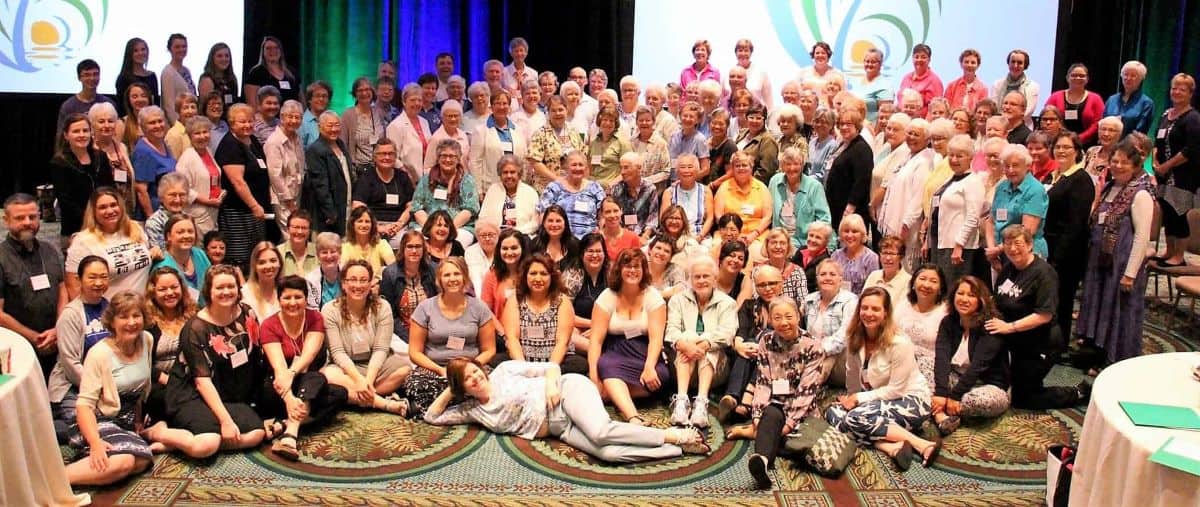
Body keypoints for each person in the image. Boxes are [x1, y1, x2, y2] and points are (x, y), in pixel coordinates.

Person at [427, 358, 708, 461]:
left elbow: (550, 367)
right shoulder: (472, 410)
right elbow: (432, 416)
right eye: (467, 378)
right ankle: (678, 449)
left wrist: (551, 385)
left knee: (600, 432)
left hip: (567, 393)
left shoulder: (503, 371)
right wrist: (451, 389)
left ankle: (676, 435)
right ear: (462, 387)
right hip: (559, 429)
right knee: (608, 454)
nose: (475, 377)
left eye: (474, 370)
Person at [164, 264, 275, 453]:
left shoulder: (247, 314)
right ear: (208, 291)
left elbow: (257, 357)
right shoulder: (195, 329)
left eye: (230, 286)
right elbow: (201, 382)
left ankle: (184, 442)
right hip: (192, 396)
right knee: (207, 445)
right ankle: (160, 434)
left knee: (256, 433)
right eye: (220, 287)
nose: (226, 292)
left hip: (229, 395)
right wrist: (226, 421)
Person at [825, 287, 939, 470]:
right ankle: (890, 446)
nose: (868, 313)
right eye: (864, 308)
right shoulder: (854, 336)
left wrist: (858, 399)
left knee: (854, 418)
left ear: (886, 313)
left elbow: (897, 389)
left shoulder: (900, 343)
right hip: (877, 401)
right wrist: (851, 397)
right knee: (834, 413)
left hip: (911, 400)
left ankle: (920, 444)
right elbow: (852, 375)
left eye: (875, 309)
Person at [986, 224, 1088, 409]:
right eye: (1007, 243)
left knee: (1023, 398)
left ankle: (1077, 392)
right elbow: (999, 299)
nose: (1012, 248)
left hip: (1040, 342)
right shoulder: (1008, 269)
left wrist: (1009, 327)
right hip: (1015, 341)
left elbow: (1044, 316)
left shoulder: (1044, 274)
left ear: (1030, 245)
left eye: (1018, 243)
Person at [62, 291, 154, 486]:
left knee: (142, 460)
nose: (131, 322)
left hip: (126, 421)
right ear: (112, 321)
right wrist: (95, 443)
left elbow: (139, 390)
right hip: (97, 420)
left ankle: (98, 466)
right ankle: (52, 481)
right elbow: (84, 406)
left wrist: (137, 419)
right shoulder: (99, 353)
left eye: (136, 315)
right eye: (123, 317)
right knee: (124, 461)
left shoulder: (146, 340)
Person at [1076, 140, 1155, 368]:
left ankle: (1116, 359)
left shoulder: (1140, 194)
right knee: (1099, 307)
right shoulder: (1110, 187)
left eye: (1124, 162)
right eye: (1115, 161)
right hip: (1101, 261)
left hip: (1121, 264)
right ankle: (1096, 353)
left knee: (1118, 311)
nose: (1118, 166)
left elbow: (1142, 237)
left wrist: (1130, 273)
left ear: (1135, 164)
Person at [257, 275, 349, 460]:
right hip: (275, 388)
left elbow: (308, 356)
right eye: (287, 298)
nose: (293, 303)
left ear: (306, 298)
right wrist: (289, 398)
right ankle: (291, 436)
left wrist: (292, 374)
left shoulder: (315, 318)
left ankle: (283, 426)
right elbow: (279, 368)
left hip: (305, 385)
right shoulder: (269, 325)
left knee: (338, 393)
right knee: (316, 380)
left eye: (298, 297)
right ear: (278, 299)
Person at [405, 257, 497, 418]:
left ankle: (439, 404)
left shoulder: (479, 307)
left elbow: (489, 350)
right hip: (435, 368)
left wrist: (467, 370)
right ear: (439, 279)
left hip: (471, 369)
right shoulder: (425, 308)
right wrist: (440, 370)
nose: (452, 279)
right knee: (415, 384)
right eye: (447, 275)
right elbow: (415, 352)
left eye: (457, 274)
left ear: (465, 278)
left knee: (490, 381)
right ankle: (466, 403)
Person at [588, 249, 669, 425]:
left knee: (660, 376)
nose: (632, 271)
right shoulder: (607, 296)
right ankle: (633, 417)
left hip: (644, 350)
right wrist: (594, 377)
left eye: (636, 266)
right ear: (619, 269)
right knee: (606, 366)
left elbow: (656, 338)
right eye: (627, 266)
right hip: (616, 351)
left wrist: (649, 367)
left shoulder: (653, 296)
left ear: (643, 270)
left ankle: (609, 395)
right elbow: (595, 341)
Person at [318, 260, 409, 414]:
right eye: (352, 280)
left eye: (363, 280)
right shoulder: (330, 310)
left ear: (370, 284)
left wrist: (367, 381)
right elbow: (337, 352)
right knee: (328, 375)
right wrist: (358, 380)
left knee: (405, 370)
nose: (358, 285)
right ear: (344, 284)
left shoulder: (382, 307)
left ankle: (353, 397)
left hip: (377, 364)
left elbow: (381, 349)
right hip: (345, 367)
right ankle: (382, 403)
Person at [931, 276, 1011, 435]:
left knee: (980, 401)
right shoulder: (948, 322)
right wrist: (940, 392)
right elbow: (942, 358)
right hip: (957, 379)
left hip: (987, 386)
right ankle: (942, 416)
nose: (964, 299)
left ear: (981, 300)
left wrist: (954, 396)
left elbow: (977, 367)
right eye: (960, 293)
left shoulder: (991, 325)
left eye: (971, 295)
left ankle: (945, 408)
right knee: (922, 358)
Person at [665, 255, 736, 428]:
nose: (701, 280)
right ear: (690, 279)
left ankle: (701, 403)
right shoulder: (677, 300)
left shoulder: (727, 303)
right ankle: (682, 401)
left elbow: (727, 333)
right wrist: (684, 345)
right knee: (687, 336)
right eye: (697, 276)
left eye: (706, 276)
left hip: (716, 370)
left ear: (715, 278)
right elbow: (671, 330)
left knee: (705, 341)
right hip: (682, 367)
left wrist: (703, 344)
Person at [1043, 132, 1095, 342]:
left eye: (1067, 147)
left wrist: (1057, 258)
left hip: (1067, 253)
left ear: (1077, 151)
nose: (1062, 151)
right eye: (1058, 147)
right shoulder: (1054, 175)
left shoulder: (1081, 180)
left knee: (1062, 300)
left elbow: (1076, 224)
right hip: (1049, 245)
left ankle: (1059, 343)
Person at [498, 253, 587, 374]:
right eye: (533, 273)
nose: (538, 279)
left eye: (544, 274)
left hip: (557, 361)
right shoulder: (515, 300)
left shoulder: (562, 301)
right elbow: (512, 339)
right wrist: (524, 369)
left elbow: (563, 342)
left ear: (552, 277)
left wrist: (550, 370)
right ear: (525, 276)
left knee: (580, 365)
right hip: (522, 360)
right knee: (497, 362)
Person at [65, 189, 153, 299]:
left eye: (113, 205)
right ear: (93, 212)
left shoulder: (135, 228)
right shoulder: (82, 241)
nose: (110, 211)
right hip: (108, 312)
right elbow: (73, 285)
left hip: (140, 310)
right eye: (103, 207)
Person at [1151, 73, 1200, 269]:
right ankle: (1169, 250)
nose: (1177, 92)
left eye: (1182, 89)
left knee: (1178, 215)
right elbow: (1157, 141)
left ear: (1190, 93)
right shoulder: (1165, 115)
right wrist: (1155, 161)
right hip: (1162, 175)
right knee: (1168, 214)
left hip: (1182, 176)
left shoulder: (1193, 118)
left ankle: (1179, 255)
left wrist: (1167, 165)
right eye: (1174, 88)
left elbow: (1191, 150)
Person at [216, 104, 271, 269]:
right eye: (242, 122)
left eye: (250, 121)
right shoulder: (230, 145)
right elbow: (238, 182)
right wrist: (255, 206)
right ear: (232, 124)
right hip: (239, 211)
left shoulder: (252, 139)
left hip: (256, 211)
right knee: (241, 258)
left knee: (257, 255)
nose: (247, 125)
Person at [929, 135, 987, 285]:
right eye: (951, 155)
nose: (954, 160)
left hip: (957, 247)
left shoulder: (973, 182)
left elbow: (973, 217)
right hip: (941, 242)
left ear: (970, 158)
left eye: (959, 156)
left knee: (952, 288)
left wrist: (959, 244)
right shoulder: (951, 179)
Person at [51, 113, 115, 240]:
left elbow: (110, 189)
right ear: (66, 135)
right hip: (76, 228)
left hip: (106, 224)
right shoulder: (59, 163)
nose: (82, 135)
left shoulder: (101, 157)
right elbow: (66, 201)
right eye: (76, 131)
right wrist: (93, 218)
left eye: (85, 130)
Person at [988, 144, 1049, 261]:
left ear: (1027, 166)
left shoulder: (1035, 190)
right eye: (1006, 166)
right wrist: (992, 250)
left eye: (1015, 165)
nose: (1010, 170)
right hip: (999, 253)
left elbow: (1026, 231)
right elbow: (990, 221)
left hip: (1025, 253)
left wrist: (998, 249)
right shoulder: (1001, 187)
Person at [412, 139, 480, 244]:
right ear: (438, 158)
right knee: (417, 241)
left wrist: (448, 229)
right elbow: (417, 208)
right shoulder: (426, 179)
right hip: (427, 226)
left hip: (459, 227)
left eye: (452, 156)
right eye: (444, 156)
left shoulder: (467, 181)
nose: (448, 160)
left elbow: (470, 209)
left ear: (458, 159)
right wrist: (431, 228)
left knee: (457, 242)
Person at [351, 140, 414, 248]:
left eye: (390, 154)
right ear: (374, 157)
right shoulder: (366, 178)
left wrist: (399, 224)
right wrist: (377, 227)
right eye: (382, 154)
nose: (387, 157)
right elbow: (357, 206)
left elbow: (411, 205)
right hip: (372, 226)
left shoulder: (403, 177)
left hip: (398, 225)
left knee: (406, 243)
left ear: (395, 157)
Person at [894, 264, 949, 386]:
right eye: (922, 279)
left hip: (930, 368)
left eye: (933, 281)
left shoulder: (946, 312)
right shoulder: (903, 305)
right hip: (900, 362)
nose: (926, 285)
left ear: (940, 288)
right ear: (913, 284)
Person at [537, 151, 607, 239]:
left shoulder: (595, 188)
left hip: (588, 241)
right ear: (566, 167)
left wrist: (601, 231)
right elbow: (543, 215)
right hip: (560, 240)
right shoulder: (554, 187)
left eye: (581, 165)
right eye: (574, 165)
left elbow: (604, 215)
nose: (577, 168)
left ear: (585, 168)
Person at [469, 90, 526, 193]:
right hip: (490, 187)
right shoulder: (481, 131)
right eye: (497, 103)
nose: (501, 107)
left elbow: (523, 160)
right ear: (491, 106)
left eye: (505, 104)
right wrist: (478, 190)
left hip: (516, 187)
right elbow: (475, 163)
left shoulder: (518, 130)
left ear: (509, 107)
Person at [526, 96, 587, 191]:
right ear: (548, 113)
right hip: (548, 187)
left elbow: (582, 156)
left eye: (560, 110)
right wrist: (557, 180)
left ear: (566, 110)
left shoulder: (574, 131)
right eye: (553, 110)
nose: (557, 113)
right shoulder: (540, 133)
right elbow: (535, 162)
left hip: (573, 186)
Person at [305, 111, 352, 235]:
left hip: (345, 206)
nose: (334, 129)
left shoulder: (341, 144)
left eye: (337, 125)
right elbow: (320, 185)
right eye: (330, 125)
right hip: (328, 213)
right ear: (320, 127)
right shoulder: (315, 150)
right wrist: (330, 212)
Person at [826, 108, 874, 229]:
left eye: (848, 124)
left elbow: (862, 182)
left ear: (857, 126)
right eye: (841, 124)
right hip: (837, 205)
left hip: (851, 211)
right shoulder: (844, 143)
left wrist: (850, 209)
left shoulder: (861, 148)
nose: (844, 127)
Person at [174, 116, 223, 235]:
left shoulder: (209, 152)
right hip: (197, 216)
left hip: (213, 212)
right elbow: (183, 189)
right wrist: (207, 201)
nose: (202, 136)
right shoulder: (187, 158)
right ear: (190, 136)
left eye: (205, 132)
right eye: (197, 133)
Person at [714, 152, 773, 246]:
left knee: (756, 253)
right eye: (737, 165)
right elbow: (718, 216)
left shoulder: (761, 188)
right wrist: (734, 235)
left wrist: (754, 235)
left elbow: (767, 217)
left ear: (751, 167)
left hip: (757, 236)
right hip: (728, 234)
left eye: (744, 165)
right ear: (732, 169)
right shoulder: (724, 187)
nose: (741, 168)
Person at [264, 100, 305, 231]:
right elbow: (275, 175)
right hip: (283, 199)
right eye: (290, 116)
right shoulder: (274, 142)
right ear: (281, 117)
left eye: (297, 117)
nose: (294, 121)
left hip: (297, 194)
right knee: (290, 233)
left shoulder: (297, 138)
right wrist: (288, 199)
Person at [130, 106, 177, 220]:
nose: (158, 126)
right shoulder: (143, 152)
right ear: (143, 127)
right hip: (154, 215)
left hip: (169, 211)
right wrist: (151, 218)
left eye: (160, 121)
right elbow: (141, 190)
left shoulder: (163, 144)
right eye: (152, 123)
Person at [152, 214, 211, 298]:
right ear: (168, 236)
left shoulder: (200, 254)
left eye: (190, 231)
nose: (186, 236)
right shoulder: (161, 265)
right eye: (180, 232)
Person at [1045, 64, 1105, 145]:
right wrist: (1062, 139)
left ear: (1087, 79)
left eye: (1082, 76)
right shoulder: (1055, 97)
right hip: (1058, 143)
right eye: (1074, 75)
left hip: (1087, 144)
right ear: (1067, 78)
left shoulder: (1096, 99)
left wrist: (1079, 139)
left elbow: (1098, 123)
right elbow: (1046, 117)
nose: (1077, 78)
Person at [479, 155, 539, 236]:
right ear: (500, 174)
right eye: (505, 172)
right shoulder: (493, 190)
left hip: (523, 235)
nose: (509, 176)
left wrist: (517, 232)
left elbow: (535, 222)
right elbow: (483, 217)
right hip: (496, 236)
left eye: (512, 172)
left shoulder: (530, 192)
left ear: (519, 174)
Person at [340, 77, 386, 178]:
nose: (364, 93)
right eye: (360, 90)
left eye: (367, 89)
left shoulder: (379, 113)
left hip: (379, 168)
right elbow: (342, 144)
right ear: (355, 94)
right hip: (358, 171)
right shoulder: (348, 115)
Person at [661, 154, 715, 238]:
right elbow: (664, 219)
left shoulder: (706, 191)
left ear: (697, 170)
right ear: (677, 171)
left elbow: (710, 218)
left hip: (700, 236)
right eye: (682, 167)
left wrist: (700, 237)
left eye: (690, 167)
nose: (686, 171)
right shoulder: (669, 192)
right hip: (674, 236)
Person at [386, 84, 434, 175]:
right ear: (404, 102)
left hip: (427, 177)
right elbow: (392, 156)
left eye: (419, 100)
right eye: (412, 100)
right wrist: (407, 174)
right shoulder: (395, 126)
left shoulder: (425, 122)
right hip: (406, 178)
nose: (417, 103)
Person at [610, 152, 660, 238]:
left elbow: (653, 217)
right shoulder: (616, 189)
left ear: (639, 168)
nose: (622, 172)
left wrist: (645, 235)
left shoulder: (650, 189)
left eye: (626, 168)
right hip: (621, 235)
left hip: (643, 235)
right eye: (621, 168)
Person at [58, 59, 117, 133]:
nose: (92, 78)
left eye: (95, 74)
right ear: (79, 78)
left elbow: (116, 130)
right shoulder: (69, 106)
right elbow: (61, 135)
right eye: (87, 75)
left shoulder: (108, 103)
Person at [341, 207, 396, 280]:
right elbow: (342, 272)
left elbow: (394, 269)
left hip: (376, 286)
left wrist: (378, 282)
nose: (364, 225)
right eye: (360, 221)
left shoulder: (381, 244)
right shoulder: (345, 247)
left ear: (372, 225)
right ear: (352, 224)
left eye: (367, 221)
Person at [758, 229, 809, 307]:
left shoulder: (797, 271)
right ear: (766, 246)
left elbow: (803, 301)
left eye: (782, 243)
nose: (778, 246)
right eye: (774, 242)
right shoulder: (759, 270)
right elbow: (756, 299)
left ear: (788, 247)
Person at [831, 214, 880, 294]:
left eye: (854, 231)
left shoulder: (871, 258)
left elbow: (872, 289)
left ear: (862, 234)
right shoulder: (835, 256)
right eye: (846, 231)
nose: (850, 235)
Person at [1104, 61, 1154, 137]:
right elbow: (1103, 124)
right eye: (1125, 74)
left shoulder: (1146, 103)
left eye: (1133, 75)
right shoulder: (1111, 100)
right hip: (1108, 143)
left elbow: (1140, 131)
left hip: (1130, 147)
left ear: (1141, 78)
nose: (1128, 78)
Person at [245, 36, 299, 106]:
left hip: (291, 115)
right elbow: (252, 104)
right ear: (263, 52)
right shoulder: (256, 73)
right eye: (268, 48)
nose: (273, 51)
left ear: (281, 51)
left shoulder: (292, 72)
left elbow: (300, 99)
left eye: (276, 48)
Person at [992, 50, 1039, 128]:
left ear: (1025, 66)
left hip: (1022, 128)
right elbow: (994, 108)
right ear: (1008, 63)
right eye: (1013, 62)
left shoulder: (1033, 86)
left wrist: (1009, 121)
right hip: (999, 126)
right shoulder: (997, 84)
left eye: (1020, 63)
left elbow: (1027, 111)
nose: (1015, 65)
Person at [143, 173, 190, 250]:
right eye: (172, 195)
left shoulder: (188, 219)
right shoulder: (154, 223)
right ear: (161, 197)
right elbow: (161, 254)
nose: (177, 200)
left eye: (182, 195)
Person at [734, 104, 779, 182]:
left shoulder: (767, 140)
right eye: (751, 117)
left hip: (753, 185)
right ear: (746, 118)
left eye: (758, 118)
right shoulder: (742, 133)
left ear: (764, 120)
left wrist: (746, 182)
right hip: (736, 179)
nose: (754, 121)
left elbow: (766, 171)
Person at [157, 34, 195, 124]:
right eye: (177, 47)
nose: (181, 49)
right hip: (179, 125)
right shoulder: (168, 72)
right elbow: (168, 106)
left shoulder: (186, 70)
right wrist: (178, 126)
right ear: (170, 49)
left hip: (191, 121)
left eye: (184, 46)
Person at [896, 44, 943, 117]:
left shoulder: (934, 81)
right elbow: (899, 102)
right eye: (916, 57)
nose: (919, 60)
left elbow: (936, 108)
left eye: (923, 57)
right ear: (912, 58)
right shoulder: (906, 78)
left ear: (929, 59)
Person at [423, 99, 470, 170]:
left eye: (456, 116)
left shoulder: (463, 135)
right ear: (442, 118)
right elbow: (428, 167)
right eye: (450, 116)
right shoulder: (436, 138)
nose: (453, 119)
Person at [1083, 117, 1124, 197]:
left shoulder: (1122, 158)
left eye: (1111, 130)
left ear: (1119, 134)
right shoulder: (1091, 151)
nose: (1106, 134)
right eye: (1103, 129)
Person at [670, 103, 712, 182]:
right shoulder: (673, 136)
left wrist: (687, 180)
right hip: (672, 182)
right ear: (680, 116)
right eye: (685, 116)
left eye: (691, 117)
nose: (687, 119)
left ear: (698, 120)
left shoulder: (700, 139)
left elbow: (706, 169)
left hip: (691, 184)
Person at [241, 242, 283, 320]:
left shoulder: (286, 290)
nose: (268, 266)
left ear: (280, 263)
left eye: (273, 261)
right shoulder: (244, 294)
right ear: (254, 266)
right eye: (262, 262)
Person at [852, 48, 893, 122]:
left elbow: (886, 116)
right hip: (856, 127)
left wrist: (875, 133)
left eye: (873, 62)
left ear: (880, 64)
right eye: (867, 61)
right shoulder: (858, 81)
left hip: (871, 129)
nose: (869, 64)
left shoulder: (885, 85)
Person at [793, 221, 834, 294]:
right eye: (811, 235)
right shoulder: (801, 250)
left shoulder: (826, 261)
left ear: (826, 242)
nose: (813, 240)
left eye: (818, 237)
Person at [597, 198, 642, 262]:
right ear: (601, 214)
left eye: (615, 211)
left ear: (621, 211)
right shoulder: (596, 237)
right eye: (608, 212)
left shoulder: (633, 238)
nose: (612, 215)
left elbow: (636, 263)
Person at [197, 43, 239, 109]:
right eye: (219, 56)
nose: (224, 59)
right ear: (212, 58)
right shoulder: (207, 80)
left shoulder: (232, 78)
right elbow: (204, 107)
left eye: (227, 56)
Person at [805, 108, 840, 183]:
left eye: (824, 122)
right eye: (817, 121)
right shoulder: (812, 142)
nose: (820, 124)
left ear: (831, 125)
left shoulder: (833, 145)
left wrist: (805, 181)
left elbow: (825, 173)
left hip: (820, 187)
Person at [165, 94, 199, 158]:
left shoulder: (195, 131)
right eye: (185, 108)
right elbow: (173, 163)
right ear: (178, 111)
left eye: (193, 107)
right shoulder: (174, 135)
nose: (190, 111)